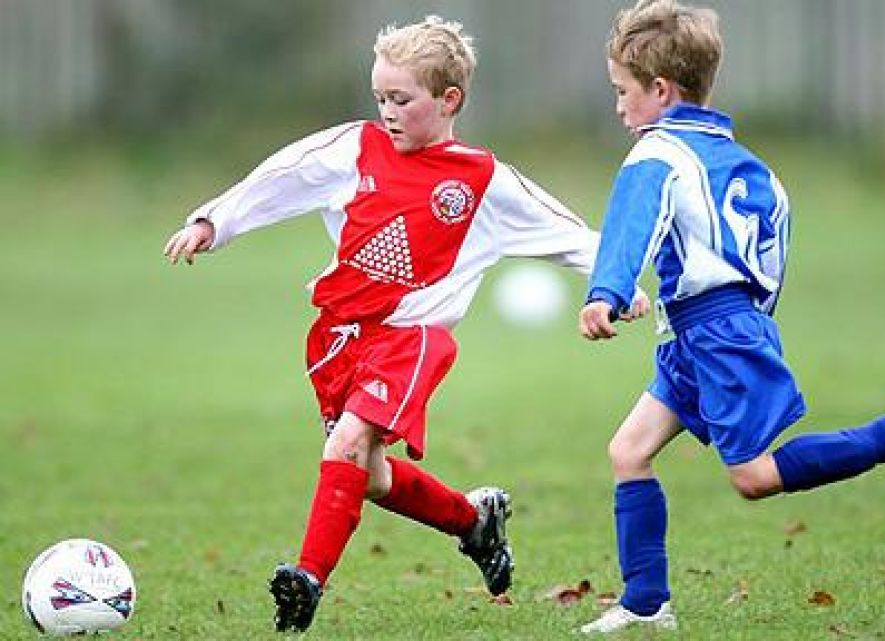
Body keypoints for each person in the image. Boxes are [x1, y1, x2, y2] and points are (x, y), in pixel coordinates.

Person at [164, 15, 647, 633]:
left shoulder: (481, 181)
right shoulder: (354, 149)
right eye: (381, 98)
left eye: (402, 99)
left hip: (413, 339)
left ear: (449, 100)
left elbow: (564, 233)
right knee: (366, 475)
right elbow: (282, 177)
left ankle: (308, 579)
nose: (388, 112)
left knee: (344, 446)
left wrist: (617, 284)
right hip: (341, 336)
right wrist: (213, 223)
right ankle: (474, 524)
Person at [576, 1, 885, 634]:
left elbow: (631, 228)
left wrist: (606, 291)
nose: (617, 106)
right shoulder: (750, 165)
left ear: (659, 91)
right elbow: (761, 253)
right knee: (629, 450)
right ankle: (645, 602)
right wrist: (708, 310)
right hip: (710, 328)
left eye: (621, 91)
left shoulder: (655, 154)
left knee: (751, 478)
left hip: (715, 334)